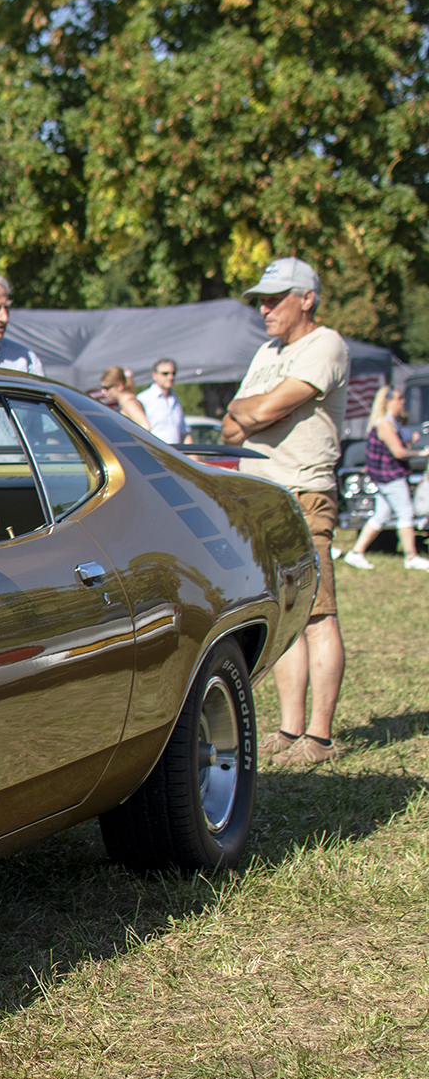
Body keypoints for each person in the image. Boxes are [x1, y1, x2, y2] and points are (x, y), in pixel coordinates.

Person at [222, 257, 349, 767]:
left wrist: (257, 410)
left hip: (304, 492)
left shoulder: (326, 345)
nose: (265, 308)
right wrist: (257, 410)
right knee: (284, 615)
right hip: (264, 495)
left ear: (307, 299)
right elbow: (232, 424)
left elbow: (267, 409)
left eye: (275, 298)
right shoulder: (267, 351)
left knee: (317, 613)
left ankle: (319, 736)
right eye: (260, 299)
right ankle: (288, 728)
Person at [342, 384, 427, 572]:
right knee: (405, 513)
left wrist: (410, 442)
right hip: (390, 477)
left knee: (381, 515)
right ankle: (411, 556)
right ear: (387, 401)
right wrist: (422, 451)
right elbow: (398, 452)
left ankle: (356, 553)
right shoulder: (385, 424)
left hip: (382, 478)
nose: (402, 402)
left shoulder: (389, 423)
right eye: (398, 398)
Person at [139, 358, 189, 444]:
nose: (170, 377)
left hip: (175, 453)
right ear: (155, 375)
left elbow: (184, 433)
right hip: (153, 453)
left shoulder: (175, 398)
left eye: (173, 373)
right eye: (165, 373)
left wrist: (193, 457)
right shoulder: (143, 399)